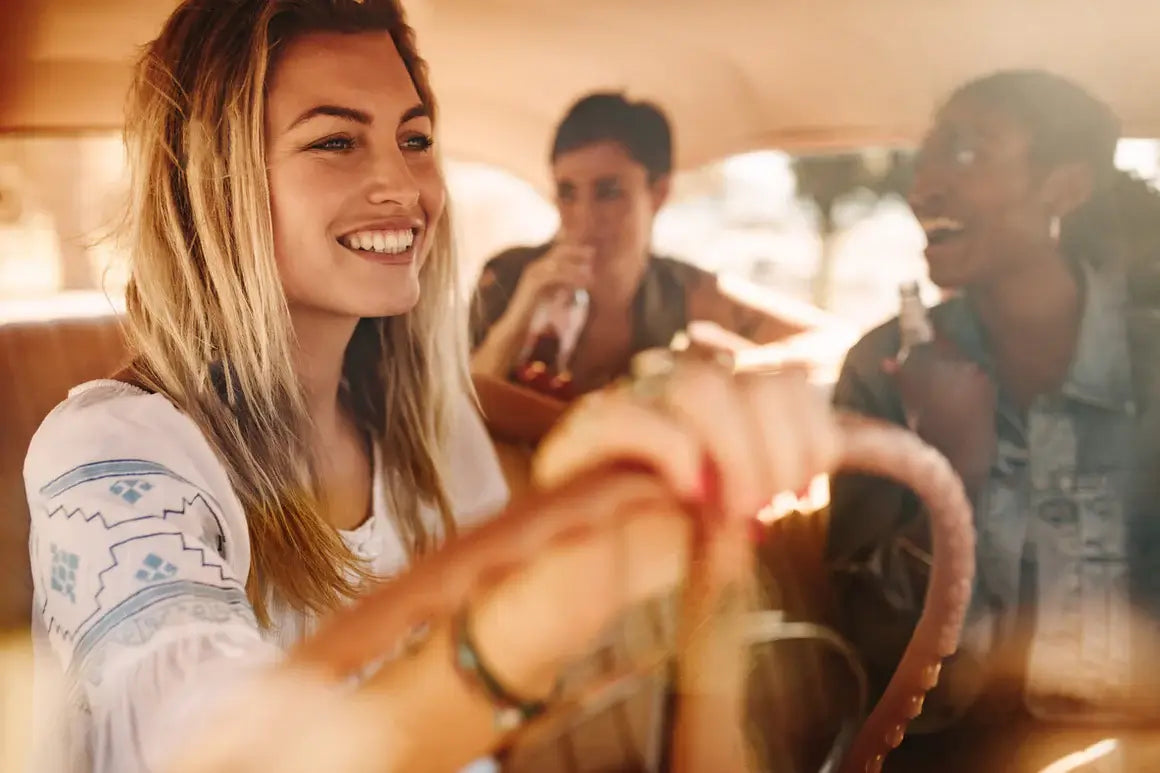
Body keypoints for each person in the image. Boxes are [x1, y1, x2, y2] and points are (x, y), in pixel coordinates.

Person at [23, 2, 837, 772]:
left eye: (414, 139)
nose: (405, 188)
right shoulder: (108, 454)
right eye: (336, 143)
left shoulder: (435, 431)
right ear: (214, 183)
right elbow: (211, 747)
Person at [826, 70, 1160, 772]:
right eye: (929, 155)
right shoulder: (881, 369)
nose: (924, 189)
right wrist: (950, 473)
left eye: (967, 151)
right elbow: (861, 652)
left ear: (1063, 189)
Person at [470, 92, 815, 397]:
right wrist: (519, 316)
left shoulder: (685, 291)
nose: (584, 217)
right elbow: (458, 402)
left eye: (608, 192)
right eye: (568, 193)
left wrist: (726, 368)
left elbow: (829, 340)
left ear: (658, 192)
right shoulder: (510, 276)